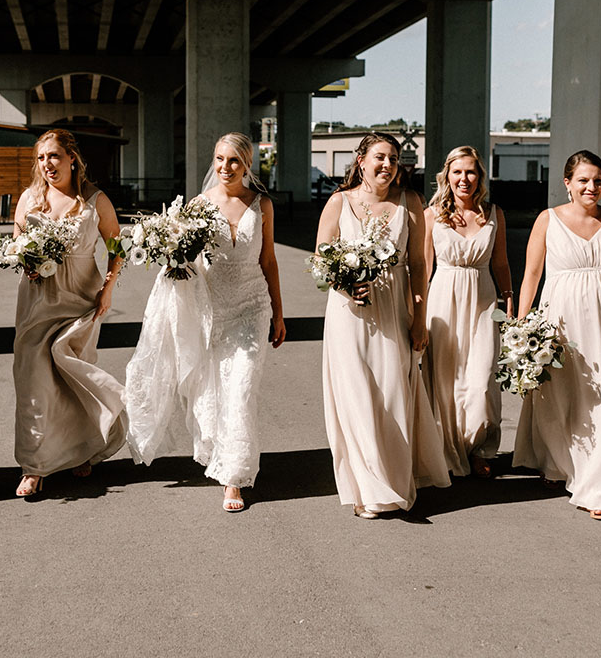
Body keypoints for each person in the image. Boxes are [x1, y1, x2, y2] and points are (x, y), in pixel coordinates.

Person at [123, 133, 287, 512]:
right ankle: (221, 451)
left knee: (241, 387)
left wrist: (279, 313)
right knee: (214, 387)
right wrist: (170, 252)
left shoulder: (261, 204)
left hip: (252, 304)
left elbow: (270, 261)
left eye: (234, 160)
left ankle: (234, 478)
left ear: (247, 165)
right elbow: (185, 258)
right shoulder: (199, 205)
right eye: (219, 159)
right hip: (211, 307)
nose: (225, 167)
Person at [512, 150, 601, 521]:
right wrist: (522, 326)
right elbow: (531, 275)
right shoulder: (548, 220)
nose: (592, 187)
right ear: (567, 183)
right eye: (584, 180)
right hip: (564, 322)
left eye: (598, 181)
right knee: (564, 396)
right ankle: (561, 462)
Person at [316, 133, 450, 519]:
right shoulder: (338, 203)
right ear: (361, 161)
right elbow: (321, 265)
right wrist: (345, 285)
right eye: (380, 157)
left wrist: (420, 321)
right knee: (356, 398)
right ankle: (367, 489)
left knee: (392, 396)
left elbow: (421, 266)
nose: (388, 165)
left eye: (394, 158)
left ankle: (393, 478)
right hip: (348, 315)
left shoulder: (410, 203)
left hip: (394, 311)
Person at [12, 129, 126, 497]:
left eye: (55, 156)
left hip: (80, 300)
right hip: (37, 300)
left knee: (73, 380)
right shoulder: (30, 199)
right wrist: (25, 259)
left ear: (72, 159)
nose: (47, 164)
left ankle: (82, 449)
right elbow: (16, 243)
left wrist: (107, 290)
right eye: (42, 158)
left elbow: (116, 247)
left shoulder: (95, 201)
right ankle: (34, 465)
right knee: (33, 381)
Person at [422, 146, 512, 478]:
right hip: (443, 301)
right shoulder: (432, 215)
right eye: (457, 172)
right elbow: (423, 268)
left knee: (482, 379)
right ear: (447, 175)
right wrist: (416, 312)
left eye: (471, 172)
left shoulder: (494, 213)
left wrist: (509, 299)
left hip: (484, 302)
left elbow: (501, 262)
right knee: (446, 381)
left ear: (480, 177)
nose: (464, 179)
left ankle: (482, 445)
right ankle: (448, 448)